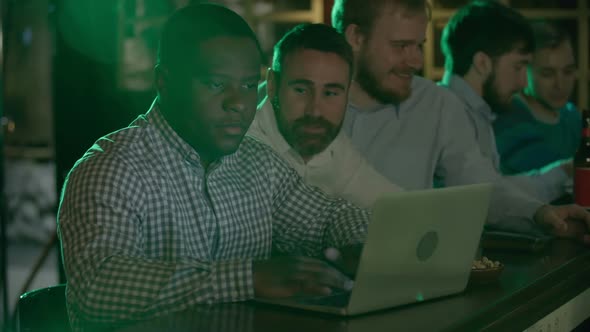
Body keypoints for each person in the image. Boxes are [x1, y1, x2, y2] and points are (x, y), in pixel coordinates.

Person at [58, 4, 368, 330]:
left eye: (249, 86)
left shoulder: (259, 164)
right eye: (216, 84)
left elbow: (326, 218)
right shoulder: (111, 170)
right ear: (164, 81)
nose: (238, 103)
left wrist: (363, 246)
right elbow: (97, 288)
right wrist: (246, 278)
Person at [330, 0, 590, 236]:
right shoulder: (303, 104)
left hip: (406, 281)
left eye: (419, 45)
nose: (416, 61)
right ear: (355, 37)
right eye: (401, 46)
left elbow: (480, 190)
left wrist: (541, 214)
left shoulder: (436, 104)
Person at [248, 23, 402, 208]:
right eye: (301, 90)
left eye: (330, 93)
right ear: (272, 85)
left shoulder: (334, 146)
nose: (315, 111)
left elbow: (397, 205)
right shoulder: (243, 146)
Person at [439, 1, 571, 203]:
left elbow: (494, 187)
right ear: (482, 63)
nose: (523, 82)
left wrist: (564, 172)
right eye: (518, 67)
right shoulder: (445, 114)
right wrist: (547, 216)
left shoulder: (473, 111)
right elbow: (487, 202)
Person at [493, 20, 581, 176]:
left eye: (568, 72)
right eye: (547, 74)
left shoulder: (573, 117)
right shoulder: (506, 120)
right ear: (524, 70)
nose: (560, 85)